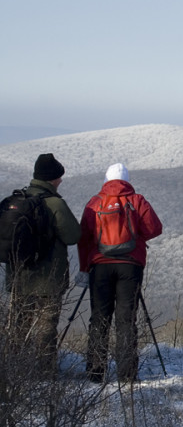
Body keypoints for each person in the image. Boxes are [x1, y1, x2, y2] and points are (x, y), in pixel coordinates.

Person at [78, 163, 163, 383]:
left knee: (99, 318)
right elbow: (154, 228)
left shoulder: (95, 202)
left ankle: (96, 372)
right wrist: (137, 238)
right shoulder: (136, 201)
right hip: (130, 266)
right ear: (127, 179)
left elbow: (84, 238)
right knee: (126, 320)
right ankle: (127, 373)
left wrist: (84, 267)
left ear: (106, 179)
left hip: (100, 266)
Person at [2, 154, 81, 373]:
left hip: (18, 276)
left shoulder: (16, 201)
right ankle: (45, 373)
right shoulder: (54, 203)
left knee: (18, 327)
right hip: (49, 279)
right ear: (52, 179)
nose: (61, 181)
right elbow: (73, 235)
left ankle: (15, 373)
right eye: (59, 177)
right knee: (46, 329)